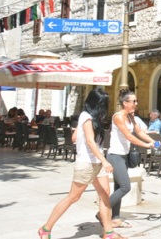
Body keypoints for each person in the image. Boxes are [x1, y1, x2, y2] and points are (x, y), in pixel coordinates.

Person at [38, 88, 121, 239]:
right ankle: (45, 229)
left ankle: (108, 233)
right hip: (87, 163)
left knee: (104, 195)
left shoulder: (88, 117)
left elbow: (74, 137)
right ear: (97, 104)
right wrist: (104, 160)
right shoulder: (86, 117)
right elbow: (89, 141)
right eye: (104, 104)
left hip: (96, 162)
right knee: (73, 197)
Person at [106, 90, 157, 228]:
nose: (136, 103)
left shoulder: (130, 117)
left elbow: (139, 132)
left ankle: (115, 218)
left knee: (118, 187)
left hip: (123, 156)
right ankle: (103, 211)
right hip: (115, 156)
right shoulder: (118, 117)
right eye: (133, 101)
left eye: (136, 101)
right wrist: (146, 145)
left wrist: (152, 142)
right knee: (125, 187)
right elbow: (129, 136)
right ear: (125, 103)